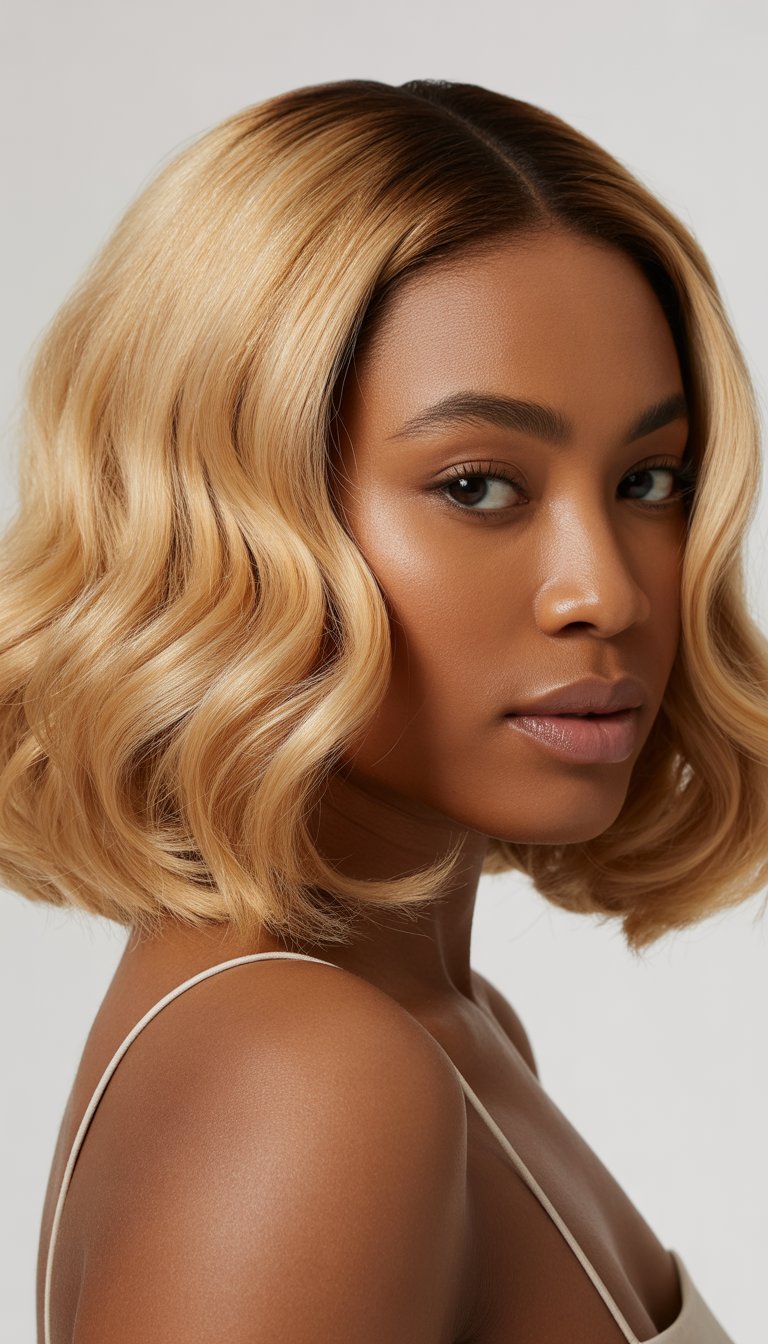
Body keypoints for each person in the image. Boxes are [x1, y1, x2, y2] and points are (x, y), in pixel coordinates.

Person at [1, 78, 765, 1343]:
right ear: (233, 523)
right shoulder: (309, 1079)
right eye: (478, 486)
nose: (606, 590)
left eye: (648, 477)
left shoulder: (444, 1029)